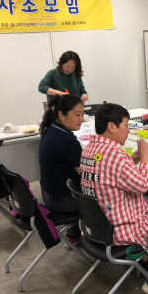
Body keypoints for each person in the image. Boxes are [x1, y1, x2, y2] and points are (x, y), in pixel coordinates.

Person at [80, 103, 148, 247]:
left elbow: (108, 172)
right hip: (122, 229)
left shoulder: (88, 148)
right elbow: (142, 186)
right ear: (112, 126)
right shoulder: (115, 154)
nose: (128, 130)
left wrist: (131, 161)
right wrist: (145, 158)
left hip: (98, 226)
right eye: (126, 125)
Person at [38, 94, 85, 242]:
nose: (81, 119)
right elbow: (87, 175)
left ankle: (75, 232)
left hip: (49, 193)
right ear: (61, 115)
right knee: (110, 194)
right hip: (63, 200)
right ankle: (101, 240)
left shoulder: (51, 129)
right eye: (77, 115)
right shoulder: (66, 140)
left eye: (83, 114)